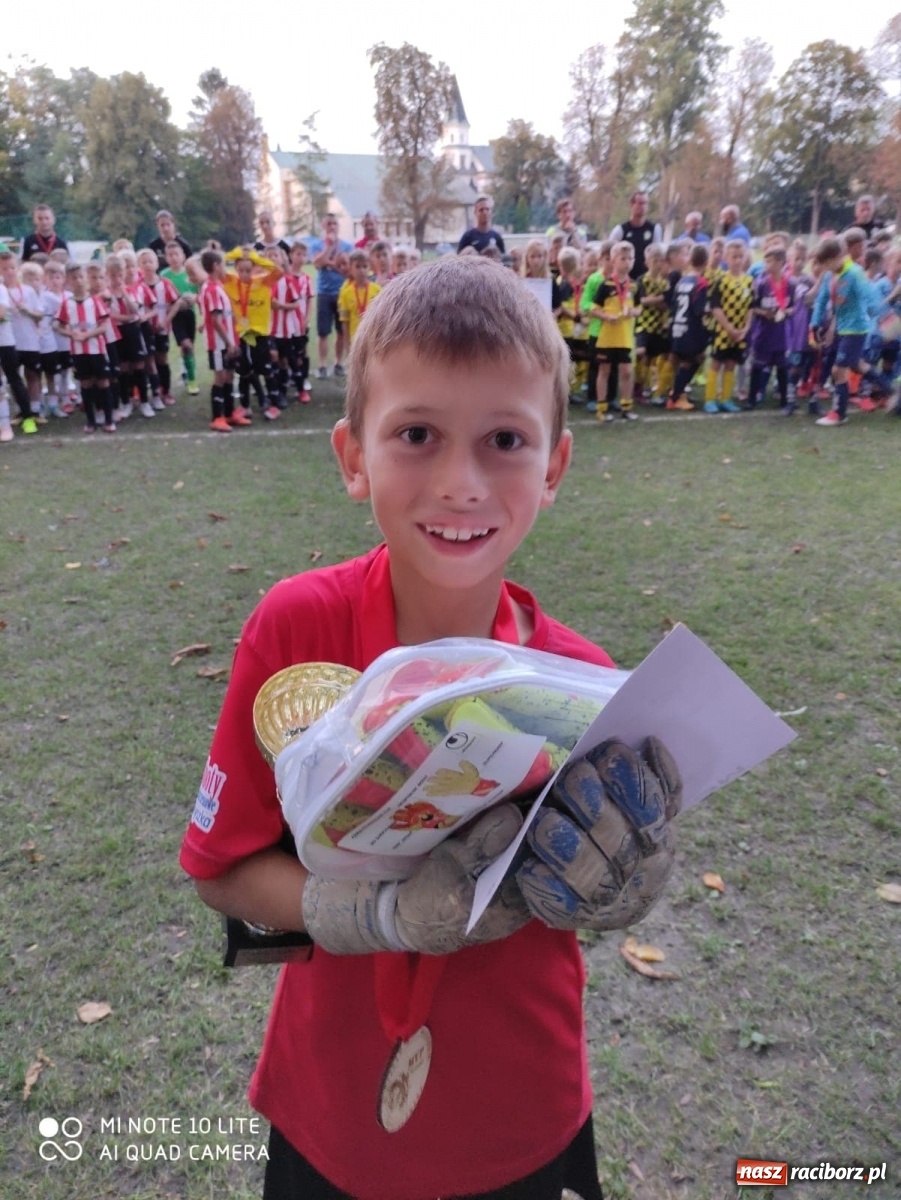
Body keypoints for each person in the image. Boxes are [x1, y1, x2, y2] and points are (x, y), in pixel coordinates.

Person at [179, 255, 680, 1200]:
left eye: (504, 439)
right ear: (352, 455)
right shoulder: (297, 630)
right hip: (330, 1110)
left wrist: (618, 880)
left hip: (520, 1110)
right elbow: (222, 869)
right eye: (416, 433)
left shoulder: (584, 681)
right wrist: (368, 915)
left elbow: (595, 872)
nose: (460, 482)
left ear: (554, 465)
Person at [811, 236, 898, 427]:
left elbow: (871, 297)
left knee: (838, 370)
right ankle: (893, 393)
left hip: (856, 329)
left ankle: (839, 414)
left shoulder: (855, 273)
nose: (824, 268)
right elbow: (821, 300)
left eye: (826, 263)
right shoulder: (829, 275)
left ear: (836, 257)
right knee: (858, 365)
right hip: (842, 328)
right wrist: (815, 323)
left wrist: (889, 322)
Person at [54, 262, 114, 434]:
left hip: (97, 350)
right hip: (79, 352)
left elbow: (104, 326)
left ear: (86, 279)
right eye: (74, 278)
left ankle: (109, 419)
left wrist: (86, 335)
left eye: (81, 277)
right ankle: (91, 421)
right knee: (86, 384)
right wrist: (71, 334)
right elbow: (58, 325)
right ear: (68, 282)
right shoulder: (66, 304)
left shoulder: (95, 302)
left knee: (103, 382)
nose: (78, 281)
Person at [224, 247, 283, 420]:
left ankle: (273, 405)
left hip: (260, 336)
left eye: (248, 270)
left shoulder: (263, 282)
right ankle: (245, 406)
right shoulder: (231, 282)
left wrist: (256, 258)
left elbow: (278, 271)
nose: (245, 274)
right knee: (244, 372)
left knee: (266, 371)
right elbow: (216, 265)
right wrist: (235, 254)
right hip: (241, 336)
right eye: (241, 270)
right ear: (235, 268)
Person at [587, 241, 640, 421]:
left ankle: (626, 406)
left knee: (626, 371)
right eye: (622, 258)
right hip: (607, 337)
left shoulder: (634, 286)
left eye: (630, 258)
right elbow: (593, 309)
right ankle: (601, 408)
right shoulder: (605, 285)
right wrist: (606, 317)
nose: (627, 262)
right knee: (604, 370)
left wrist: (632, 311)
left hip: (625, 337)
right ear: (613, 261)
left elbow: (640, 309)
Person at [705, 239, 754, 413]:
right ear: (726, 258)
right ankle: (710, 399)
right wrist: (729, 329)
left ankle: (725, 398)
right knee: (716, 363)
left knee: (731, 364)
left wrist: (746, 328)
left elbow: (750, 307)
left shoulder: (749, 281)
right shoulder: (721, 280)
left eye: (741, 256)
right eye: (734, 257)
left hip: (740, 333)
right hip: (723, 332)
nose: (738, 260)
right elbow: (715, 307)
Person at [198, 248, 240, 432]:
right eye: (223, 264)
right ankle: (217, 416)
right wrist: (229, 342)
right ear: (215, 266)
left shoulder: (217, 286)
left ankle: (230, 412)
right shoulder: (212, 289)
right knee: (220, 377)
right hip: (218, 343)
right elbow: (215, 320)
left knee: (229, 374)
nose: (225, 268)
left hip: (227, 340)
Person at [667, 242, 713, 411]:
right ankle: (675, 397)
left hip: (677, 326)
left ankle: (677, 391)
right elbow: (699, 310)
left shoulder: (682, 280)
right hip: (691, 329)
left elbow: (673, 305)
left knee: (691, 359)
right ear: (706, 261)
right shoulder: (701, 283)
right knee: (691, 361)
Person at [0, 248, 39, 436]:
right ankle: (7, 419)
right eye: (4, 268)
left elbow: (1, 314)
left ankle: (28, 417)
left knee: (15, 378)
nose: (8, 272)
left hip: (6, 342)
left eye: (11, 267)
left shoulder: (2, 290)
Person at [309, 214, 353, 378]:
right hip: (324, 293)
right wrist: (329, 248)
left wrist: (327, 262)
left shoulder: (347, 247)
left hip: (342, 293)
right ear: (323, 226)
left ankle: (338, 363)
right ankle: (322, 365)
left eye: (334, 223)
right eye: (329, 224)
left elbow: (347, 267)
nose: (332, 226)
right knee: (322, 332)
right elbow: (316, 263)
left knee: (341, 331)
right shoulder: (316, 245)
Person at [161, 241, 200, 395]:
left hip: (190, 314)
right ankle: (192, 380)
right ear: (166, 258)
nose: (174, 257)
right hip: (176, 316)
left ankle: (187, 370)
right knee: (186, 345)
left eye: (176, 254)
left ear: (183, 256)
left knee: (188, 348)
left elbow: (200, 292)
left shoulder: (189, 274)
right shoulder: (164, 275)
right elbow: (161, 298)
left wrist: (194, 297)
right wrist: (174, 304)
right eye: (170, 255)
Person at [609, 192, 663, 281]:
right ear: (632, 205)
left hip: (646, 279)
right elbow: (611, 253)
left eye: (645, 203)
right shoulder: (621, 230)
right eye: (640, 203)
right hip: (625, 279)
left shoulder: (654, 229)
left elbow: (657, 254)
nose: (643, 207)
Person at [337, 250, 381, 345]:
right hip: (355, 340)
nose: (361, 270)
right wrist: (347, 345)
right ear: (351, 269)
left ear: (369, 268)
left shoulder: (378, 290)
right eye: (357, 266)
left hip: (372, 339)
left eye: (365, 266)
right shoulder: (345, 293)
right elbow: (345, 323)